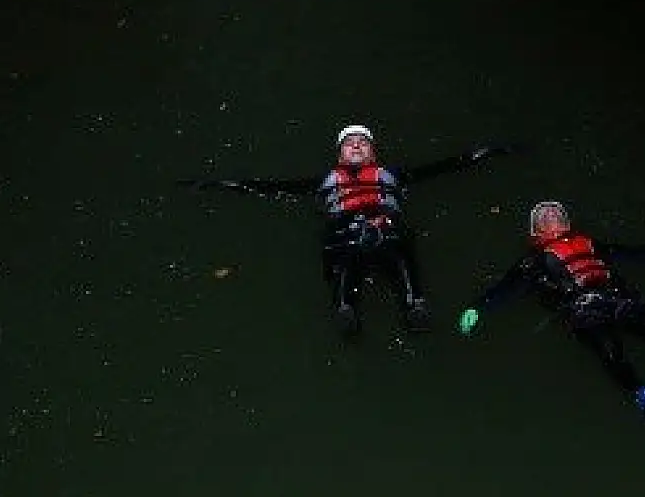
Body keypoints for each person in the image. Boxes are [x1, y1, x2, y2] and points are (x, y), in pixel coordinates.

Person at [180, 123, 513, 338]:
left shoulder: (392, 175)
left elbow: (446, 166)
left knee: (398, 249)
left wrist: (484, 153)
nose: (356, 147)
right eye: (350, 143)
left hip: (387, 229)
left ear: (373, 152)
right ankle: (345, 308)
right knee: (345, 255)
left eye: (363, 143)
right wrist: (218, 184)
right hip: (345, 234)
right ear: (339, 154)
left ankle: (414, 304)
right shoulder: (324, 183)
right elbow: (267, 187)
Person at [456, 200, 645, 413]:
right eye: (543, 215)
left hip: (618, 297)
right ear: (535, 231)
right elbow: (506, 287)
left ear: (567, 222)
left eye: (555, 212)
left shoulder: (590, 244)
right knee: (609, 348)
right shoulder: (534, 261)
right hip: (582, 308)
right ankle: (639, 392)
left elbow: (632, 253)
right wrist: (478, 308)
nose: (550, 214)